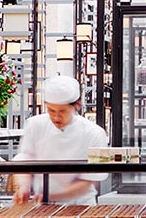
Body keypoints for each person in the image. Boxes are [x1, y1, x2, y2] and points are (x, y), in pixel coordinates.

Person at [11, 74, 108, 204]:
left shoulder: (95, 133)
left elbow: (88, 181)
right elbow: (24, 162)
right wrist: (24, 187)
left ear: (76, 105)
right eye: (51, 110)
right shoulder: (35, 125)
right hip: (43, 206)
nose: (56, 117)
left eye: (62, 111)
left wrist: (50, 196)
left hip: (80, 206)